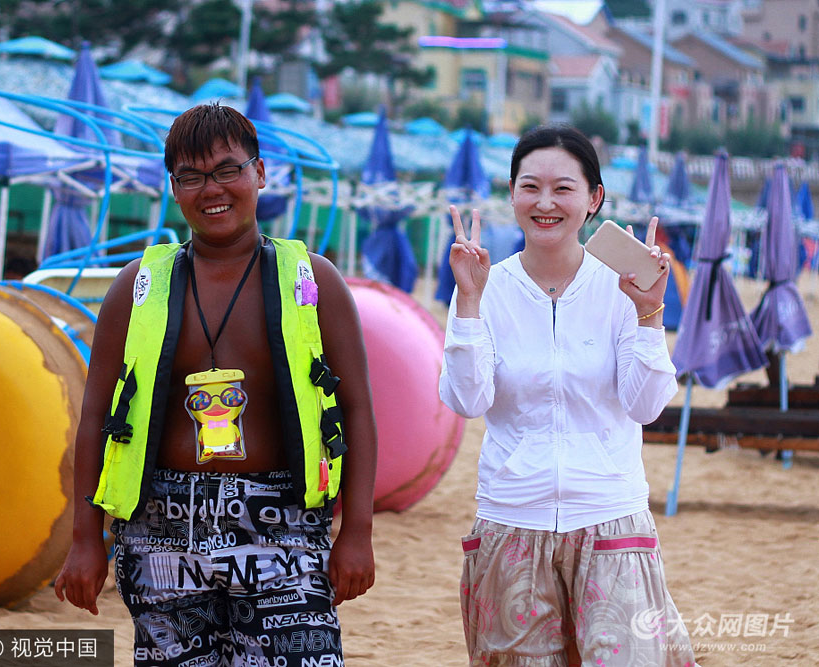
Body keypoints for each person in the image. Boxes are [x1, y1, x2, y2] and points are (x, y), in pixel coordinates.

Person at [55, 103, 377, 666]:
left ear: (260, 173)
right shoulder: (136, 287)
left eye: (228, 170)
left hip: (283, 523)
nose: (212, 189)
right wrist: (85, 538)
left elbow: (357, 410)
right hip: (160, 525)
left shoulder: (312, 281)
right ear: (173, 188)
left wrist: (357, 531)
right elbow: (95, 419)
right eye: (191, 176)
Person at [439, 124, 697, 666]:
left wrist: (649, 313)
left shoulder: (623, 287)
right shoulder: (486, 286)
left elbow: (647, 406)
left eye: (563, 188)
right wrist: (468, 302)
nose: (545, 203)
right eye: (530, 187)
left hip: (611, 519)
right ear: (512, 193)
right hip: (513, 521)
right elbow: (467, 400)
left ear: (594, 198)